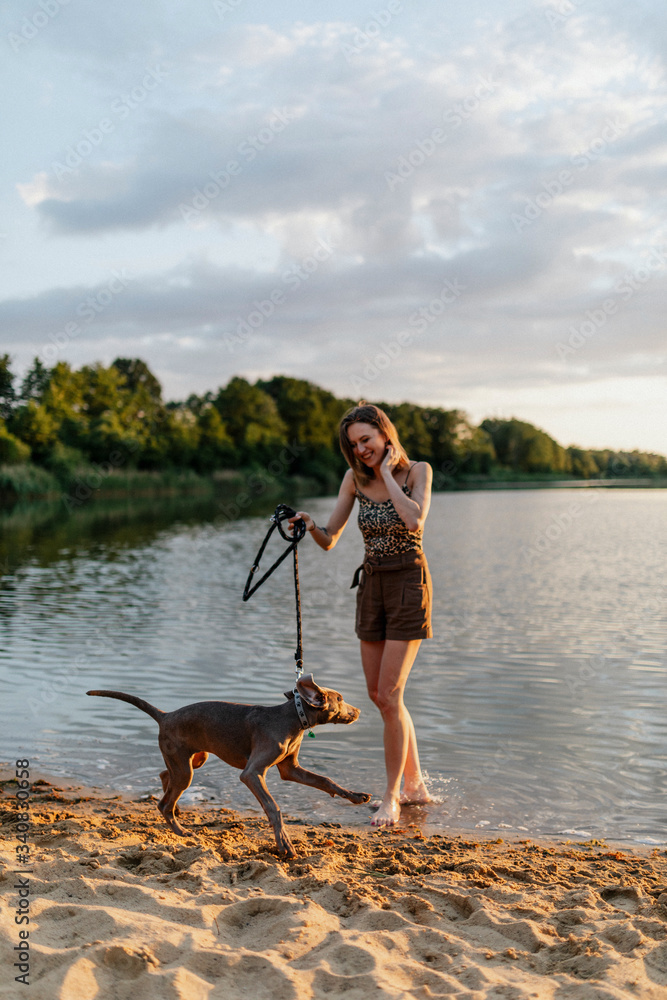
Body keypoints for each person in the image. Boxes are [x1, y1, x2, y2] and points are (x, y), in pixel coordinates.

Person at [289, 403, 433, 827]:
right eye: (353, 444)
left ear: (385, 435)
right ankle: (416, 784)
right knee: (380, 696)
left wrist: (388, 474)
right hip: (371, 587)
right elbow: (330, 538)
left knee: (389, 696)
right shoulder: (353, 479)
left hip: (409, 585)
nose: (360, 450)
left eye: (366, 440)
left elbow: (413, 519)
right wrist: (310, 524)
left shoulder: (417, 472)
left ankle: (393, 796)